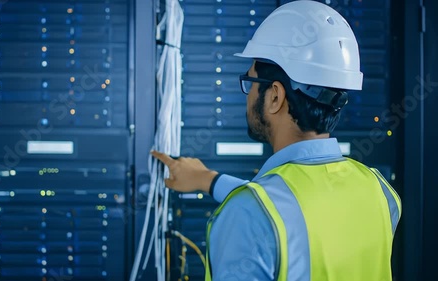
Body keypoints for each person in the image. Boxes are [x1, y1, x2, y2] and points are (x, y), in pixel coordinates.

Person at [152, 1, 401, 280]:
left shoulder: (247, 215)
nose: (247, 96)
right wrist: (208, 179)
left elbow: (273, 217)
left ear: (274, 96)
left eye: (250, 82)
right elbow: (296, 218)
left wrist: (234, 199)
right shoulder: (379, 191)